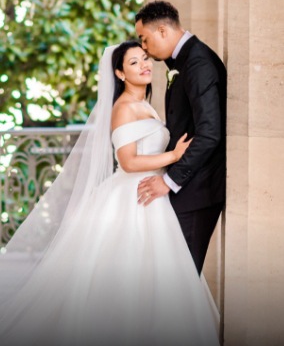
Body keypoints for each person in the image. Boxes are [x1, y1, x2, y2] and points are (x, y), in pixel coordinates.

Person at [0, 41, 219, 346]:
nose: (144, 64)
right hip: (133, 195)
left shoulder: (146, 105)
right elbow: (128, 162)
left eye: (145, 58)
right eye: (133, 63)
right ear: (119, 73)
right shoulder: (123, 108)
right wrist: (173, 157)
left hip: (153, 194)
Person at [135, 1, 227, 275]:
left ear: (162, 30)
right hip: (189, 188)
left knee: (180, 279)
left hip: (198, 191)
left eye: (145, 39)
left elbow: (209, 133)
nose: (143, 48)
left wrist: (169, 181)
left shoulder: (198, 62)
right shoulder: (185, 60)